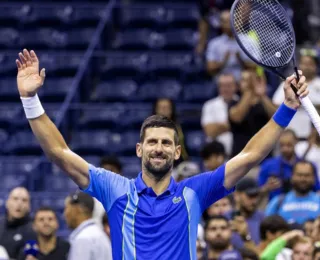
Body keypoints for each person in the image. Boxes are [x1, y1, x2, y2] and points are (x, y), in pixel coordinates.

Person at [16, 48, 309, 259]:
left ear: (177, 151)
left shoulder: (195, 191)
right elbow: (59, 152)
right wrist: (30, 100)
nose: (159, 148)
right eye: (153, 142)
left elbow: (250, 156)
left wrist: (288, 108)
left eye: (166, 143)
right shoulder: (115, 189)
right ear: (139, 149)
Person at [229, 69, 277, 157]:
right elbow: (237, 117)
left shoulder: (265, 102)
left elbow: (277, 117)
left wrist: (262, 95)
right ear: (239, 85)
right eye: (244, 80)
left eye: (252, 80)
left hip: (264, 156)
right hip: (240, 157)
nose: (249, 83)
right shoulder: (234, 102)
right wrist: (249, 90)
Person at [273, 53, 320, 139]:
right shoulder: (288, 83)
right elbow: (275, 105)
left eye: (310, 64)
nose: (307, 66)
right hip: (288, 139)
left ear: (316, 66)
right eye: (304, 63)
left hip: (312, 140)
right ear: (299, 65)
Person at [265, 160, 320, 225]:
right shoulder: (277, 202)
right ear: (292, 177)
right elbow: (266, 228)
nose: (303, 179)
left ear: (313, 178)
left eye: (307, 175)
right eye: (299, 175)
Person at [64, 192, 112, 260]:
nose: (65, 214)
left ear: (79, 208)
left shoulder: (84, 238)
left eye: (67, 208)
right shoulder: (97, 233)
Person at [201, 73, 238, 155]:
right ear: (218, 87)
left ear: (235, 86)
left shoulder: (241, 104)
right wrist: (234, 124)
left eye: (229, 85)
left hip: (239, 154)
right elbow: (210, 132)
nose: (226, 89)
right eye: (223, 86)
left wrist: (220, 127)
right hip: (217, 156)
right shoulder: (209, 105)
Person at [0, 187, 36, 259]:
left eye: (24, 200)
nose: (19, 203)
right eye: (15, 199)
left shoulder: (34, 229)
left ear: (29, 206)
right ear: (7, 203)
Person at [152, 98, 189, 163]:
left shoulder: (179, 128)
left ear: (172, 110)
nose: (163, 110)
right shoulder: (149, 129)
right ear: (156, 110)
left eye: (166, 107)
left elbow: (184, 151)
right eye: (161, 108)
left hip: (177, 164)